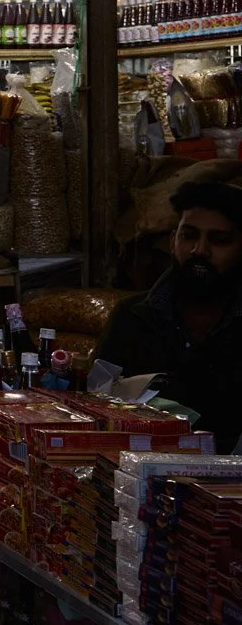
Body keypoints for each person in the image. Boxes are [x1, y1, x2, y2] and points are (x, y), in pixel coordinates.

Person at [97, 180, 242, 452]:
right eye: (189, 236)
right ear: (174, 239)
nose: (200, 250)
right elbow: (95, 405)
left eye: (219, 240)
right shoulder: (131, 317)